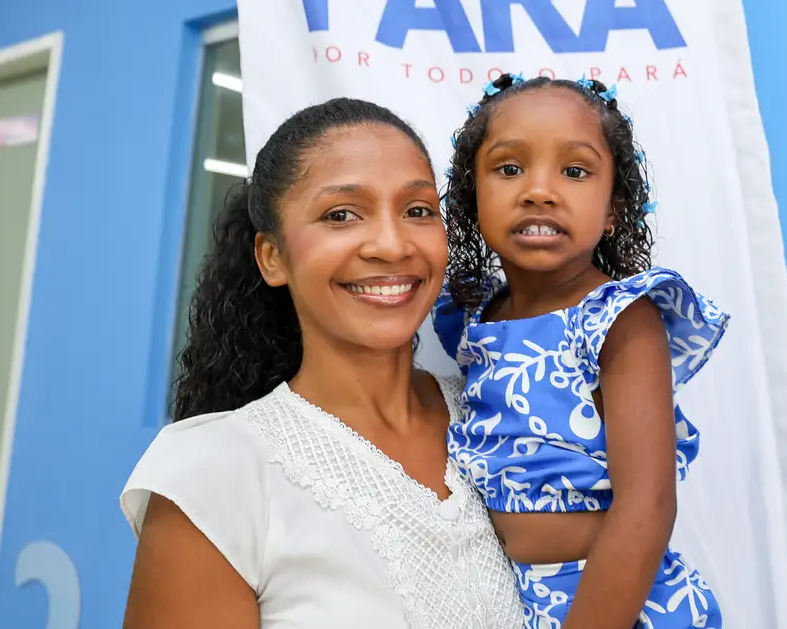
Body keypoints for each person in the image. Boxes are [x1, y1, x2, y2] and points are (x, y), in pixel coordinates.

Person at [120, 99, 524, 629]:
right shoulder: (212, 476)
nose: (392, 243)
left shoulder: (500, 413)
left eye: (419, 210)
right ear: (272, 257)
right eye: (341, 215)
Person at [434, 74, 728, 629]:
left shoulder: (621, 319)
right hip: (513, 601)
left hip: (614, 601)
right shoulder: (470, 315)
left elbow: (648, 505)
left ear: (615, 208)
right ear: (472, 197)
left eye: (574, 171)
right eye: (509, 168)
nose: (539, 190)